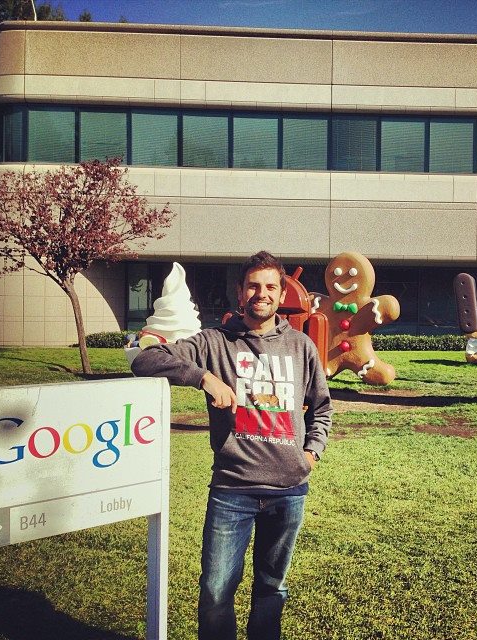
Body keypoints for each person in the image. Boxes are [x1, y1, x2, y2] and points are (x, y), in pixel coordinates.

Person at [131, 250, 333, 640]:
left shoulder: (301, 347)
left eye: (271, 286)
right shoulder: (214, 342)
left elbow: (322, 408)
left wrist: (311, 454)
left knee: (272, 590)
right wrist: (204, 377)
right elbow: (145, 360)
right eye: (254, 285)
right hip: (232, 491)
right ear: (240, 292)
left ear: (280, 293)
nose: (263, 293)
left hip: (289, 492)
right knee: (216, 593)